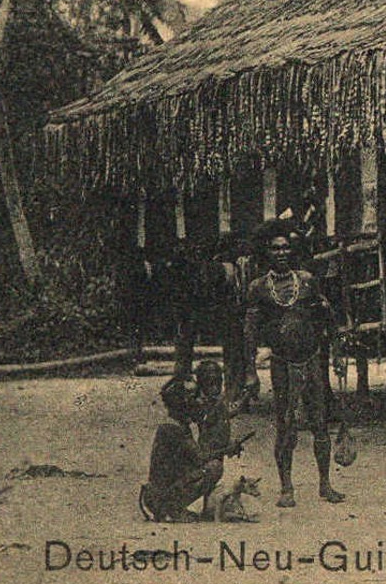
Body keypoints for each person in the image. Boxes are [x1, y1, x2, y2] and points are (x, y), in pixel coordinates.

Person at [244, 218, 345, 508]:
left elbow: (329, 320)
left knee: (319, 423)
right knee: (285, 425)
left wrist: (336, 354)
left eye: (286, 248)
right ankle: (286, 487)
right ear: (267, 253)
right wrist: (251, 372)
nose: (282, 253)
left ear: (293, 250)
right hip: (282, 363)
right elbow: (250, 333)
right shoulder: (259, 288)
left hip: (312, 360)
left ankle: (325, 484)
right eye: (276, 249)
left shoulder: (308, 281)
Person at [139, 377, 246, 522]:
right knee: (214, 468)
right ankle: (173, 508)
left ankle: (170, 505)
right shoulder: (175, 429)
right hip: (160, 494)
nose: (198, 403)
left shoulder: (174, 424)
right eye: (194, 399)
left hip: (157, 491)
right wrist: (227, 449)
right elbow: (200, 457)